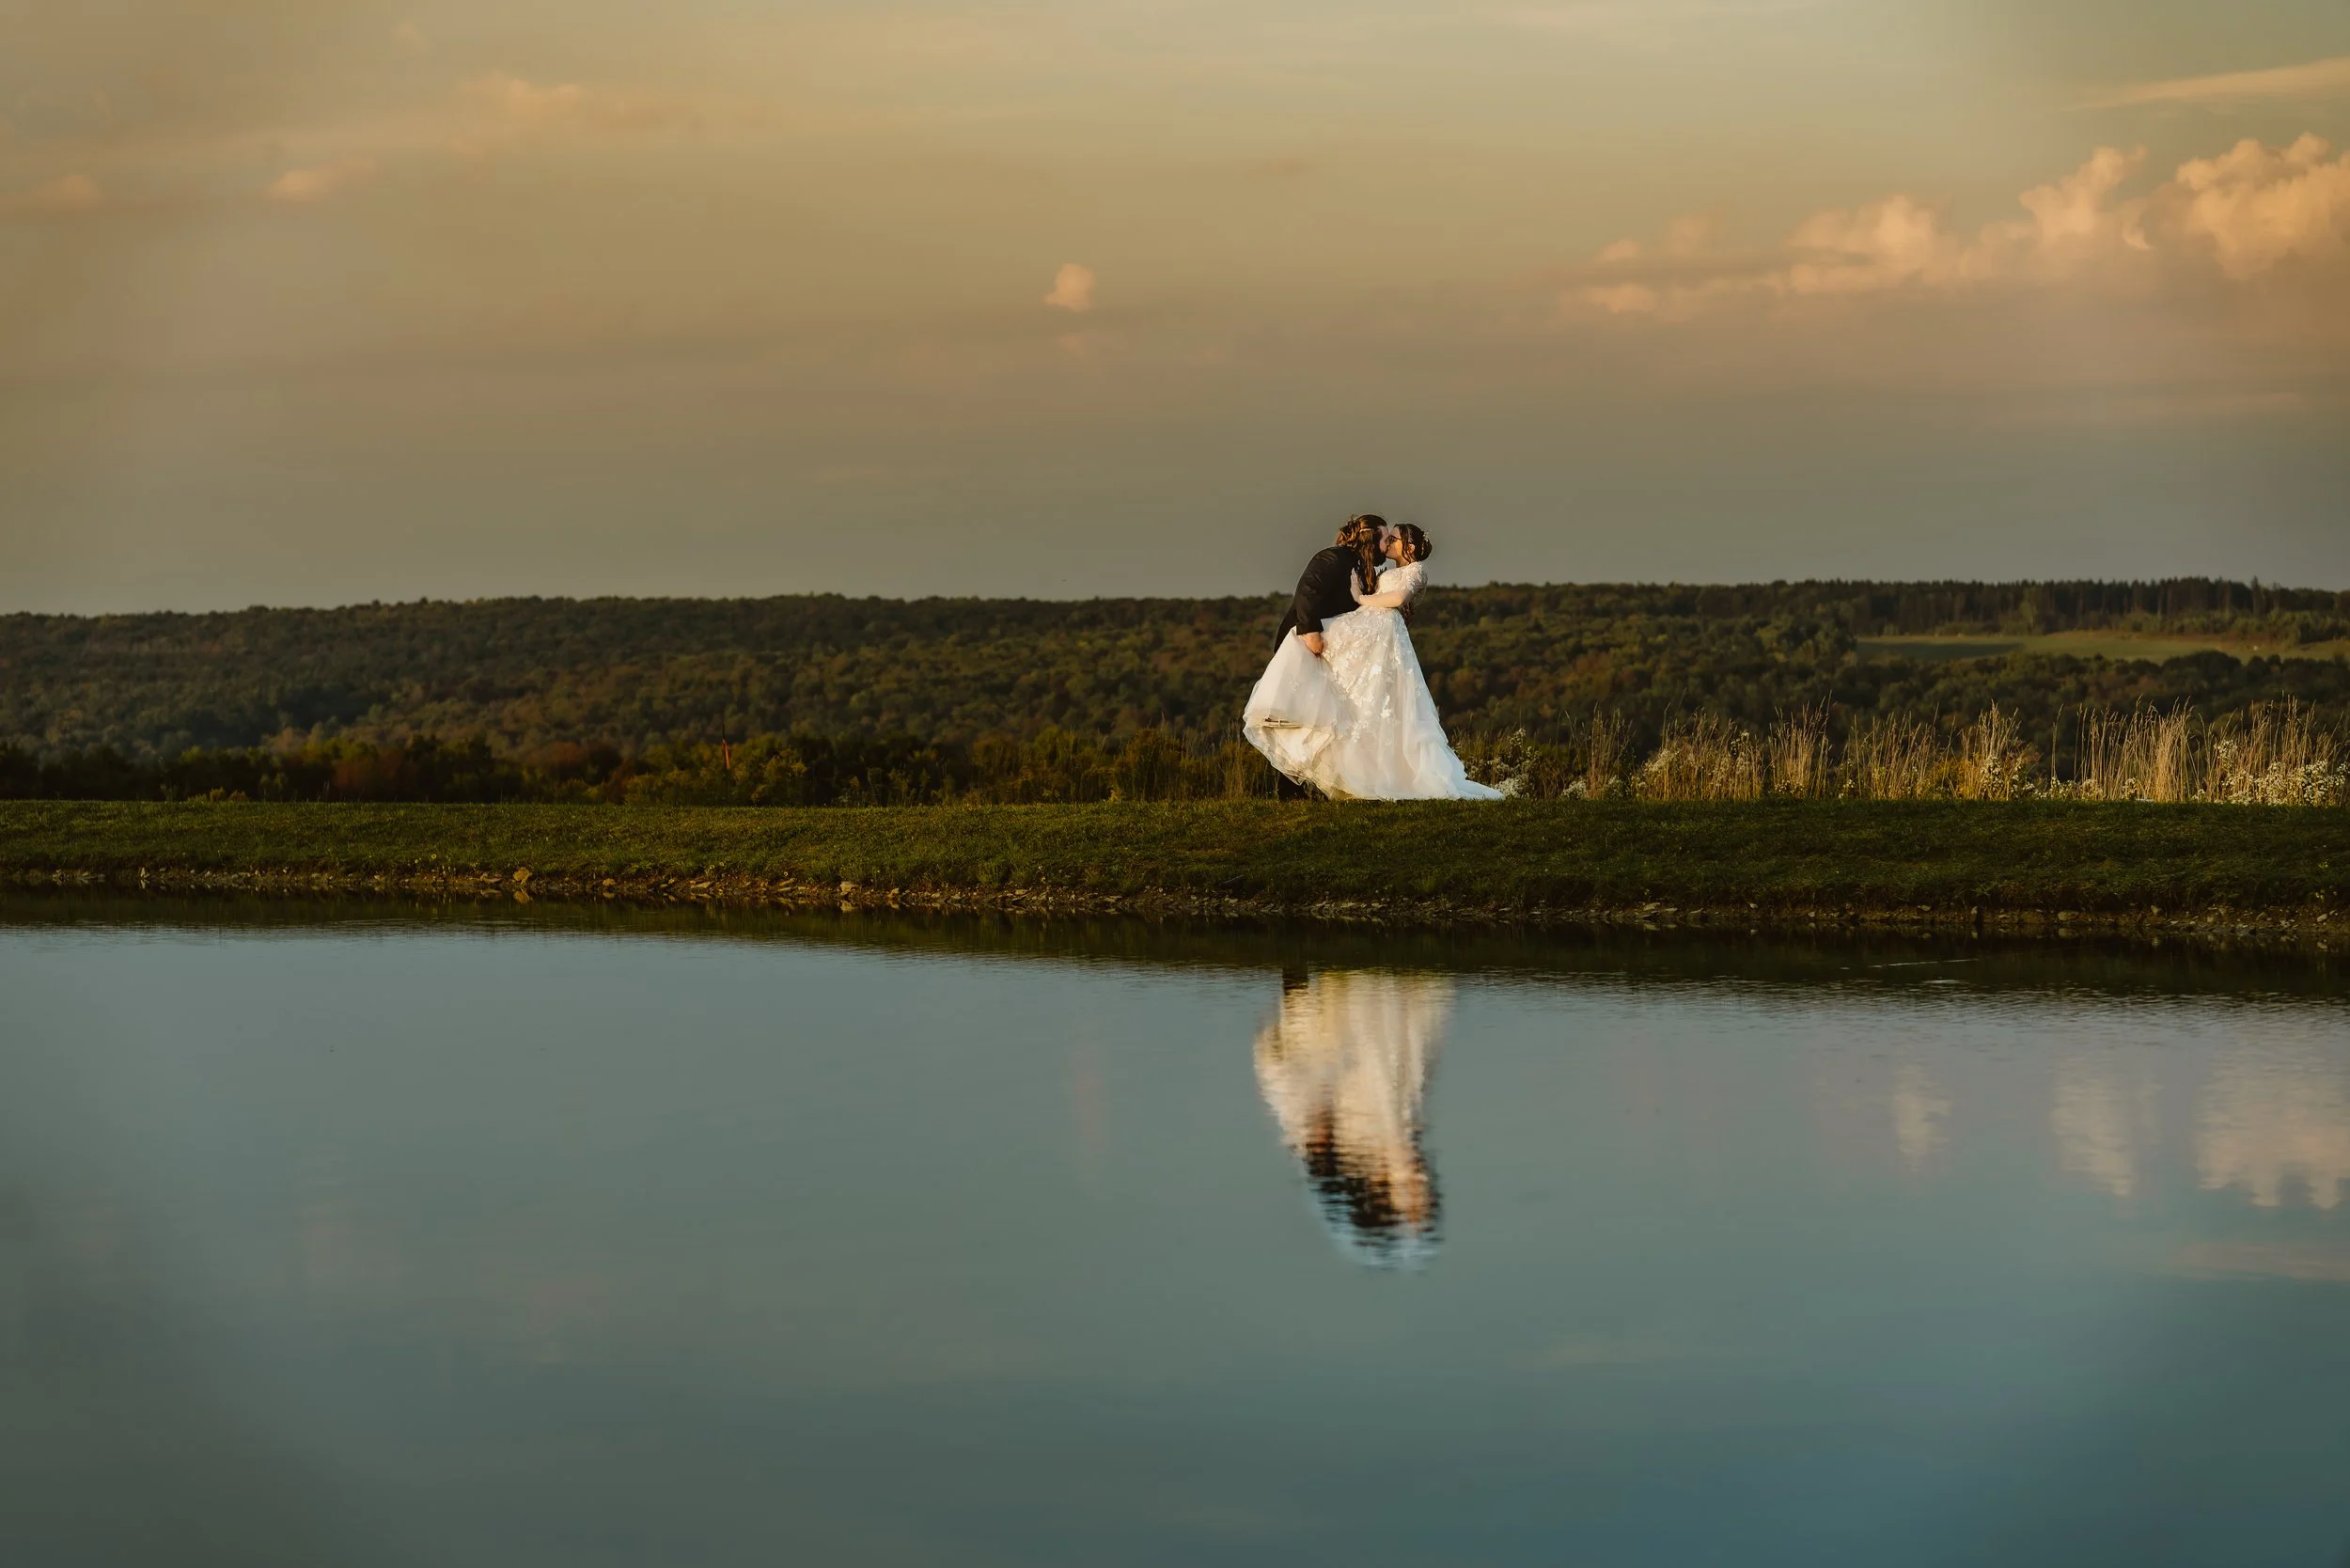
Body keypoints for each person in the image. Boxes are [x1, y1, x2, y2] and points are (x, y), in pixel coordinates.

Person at [1242, 518, 1503, 801]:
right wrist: (1310, 631)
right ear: (1370, 538)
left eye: (1393, 539)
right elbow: (1309, 591)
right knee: (1312, 708)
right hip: (1327, 635)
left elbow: (1395, 598)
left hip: (1374, 639)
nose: (1388, 543)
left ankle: (1316, 785)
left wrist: (1360, 598)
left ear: (1410, 546)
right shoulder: (1336, 558)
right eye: (1385, 537)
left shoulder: (1411, 571)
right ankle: (1293, 787)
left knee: (1340, 708)